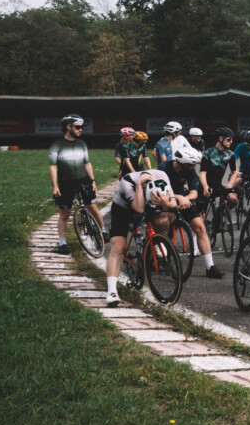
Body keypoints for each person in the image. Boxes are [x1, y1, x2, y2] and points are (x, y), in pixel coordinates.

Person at [104, 169, 177, 306]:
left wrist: (166, 203)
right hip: (123, 209)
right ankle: (112, 291)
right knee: (118, 247)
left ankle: (156, 243)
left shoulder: (162, 176)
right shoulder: (127, 181)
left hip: (149, 203)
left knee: (162, 220)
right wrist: (138, 185)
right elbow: (138, 208)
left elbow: (173, 203)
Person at [159, 147, 223, 279]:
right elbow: (161, 191)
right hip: (165, 199)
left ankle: (210, 267)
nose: (194, 167)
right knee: (166, 222)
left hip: (183, 200)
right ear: (184, 162)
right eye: (192, 164)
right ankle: (161, 254)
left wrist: (185, 199)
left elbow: (194, 193)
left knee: (200, 227)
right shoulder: (164, 167)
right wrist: (179, 197)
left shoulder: (189, 170)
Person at [48, 114, 108, 255]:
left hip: (83, 180)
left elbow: (87, 163)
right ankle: (62, 243)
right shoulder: (56, 145)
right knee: (65, 213)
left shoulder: (82, 144)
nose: (81, 130)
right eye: (78, 127)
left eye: (81, 127)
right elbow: (53, 166)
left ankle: (103, 231)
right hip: (66, 182)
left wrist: (93, 181)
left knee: (92, 207)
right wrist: (55, 186)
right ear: (68, 127)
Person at [200, 127, 241, 210]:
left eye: (232, 139)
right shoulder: (207, 153)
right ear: (220, 139)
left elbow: (234, 172)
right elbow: (203, 173)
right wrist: (205, 187)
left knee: (233, 199)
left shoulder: (230, 154)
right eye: (229, 139)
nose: (231, 142)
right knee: (201, 216)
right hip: (205, 187)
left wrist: (230, 183)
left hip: (218, 186)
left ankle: (221, 212)